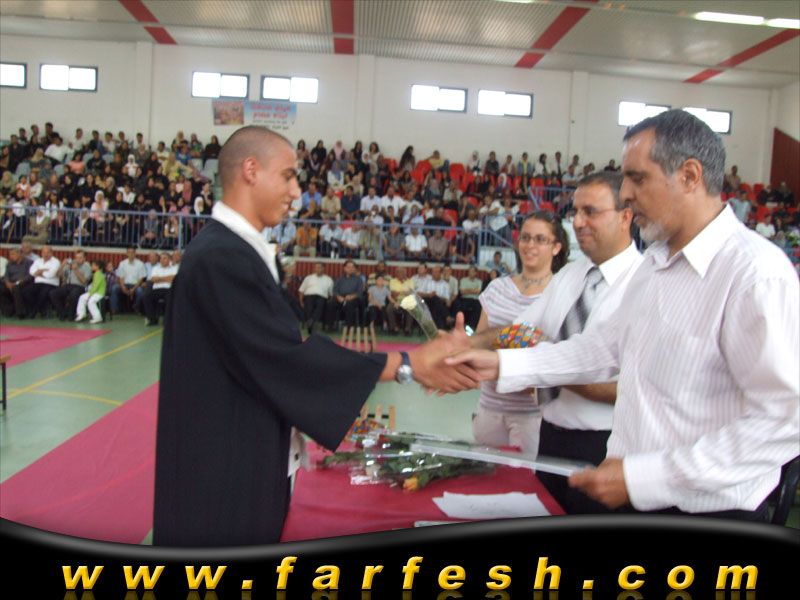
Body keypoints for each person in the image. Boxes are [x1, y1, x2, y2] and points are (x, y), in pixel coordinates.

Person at [447, 109, 799, 521]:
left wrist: (647, 477)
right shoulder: (656, 265)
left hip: (707, 512)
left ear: (689, 176)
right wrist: (501, 364)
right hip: (635, 496)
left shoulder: (754, 275)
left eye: (637, 178)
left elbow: (784, 420)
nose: (626, 194)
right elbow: (600, 348)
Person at [153, 126, 477, 547]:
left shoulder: (233, 250)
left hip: (237, 449)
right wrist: (407, 364)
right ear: (250, 170)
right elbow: (283, 359)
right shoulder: (221, 257)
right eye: (288, 176)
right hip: (222, 472)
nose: (297, 192)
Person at [472, 212, 569, 455]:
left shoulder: (563, 293)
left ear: (556, 247)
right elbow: (478, 342)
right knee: (485, 474)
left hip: (533, 416)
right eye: (525, 237)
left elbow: (563, 356)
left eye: (540, 239)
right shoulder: (496, 288)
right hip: (489, 407)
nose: (530, 245)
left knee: (524, 477)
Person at [50, 250, 92, 321]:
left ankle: (71, 315)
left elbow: (84, 281)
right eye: (76, 258)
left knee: (74, 293)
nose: (78, 260)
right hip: (68, 285)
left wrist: (76, 270)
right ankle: (63, 313)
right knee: (53, 293)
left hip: (80, 286)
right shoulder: (69, 265)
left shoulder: (87, 266)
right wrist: (62, 265)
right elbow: (58, 275)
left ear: (84, 258)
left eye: (80, 258)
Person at [298, 262, 333, 334]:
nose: (317, 269)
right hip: (309, 296)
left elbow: (331, 294)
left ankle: (311, 321)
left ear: (323, 268)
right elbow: (301, 291)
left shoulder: (328, 279)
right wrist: (301, 301)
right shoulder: (308, 278)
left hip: (322, 297)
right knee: (309, 305)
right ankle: (312, 322)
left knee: (320, 305)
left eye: (319, 267)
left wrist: (329, 301)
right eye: (316, 267)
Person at [74, 259, 107, 324]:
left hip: (99, 293)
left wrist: (90, 294)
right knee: (82, 297)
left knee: (91, 302)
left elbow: (96, 286)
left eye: (93, 265)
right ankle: (81, 314)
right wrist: (90, 293)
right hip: (95, 292)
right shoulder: (96, 274)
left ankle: (97, 317)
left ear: (97, 267)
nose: (91, 267)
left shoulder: (99, 274)